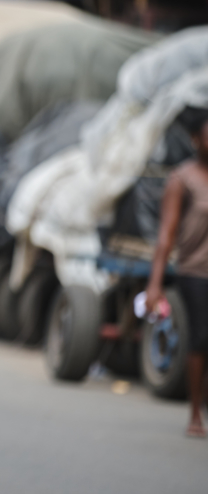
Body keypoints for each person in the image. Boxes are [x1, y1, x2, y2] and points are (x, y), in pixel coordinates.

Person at [147, 105, 208, 438]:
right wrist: (155, 285)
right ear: (196, 139)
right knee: (200, 338)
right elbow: (166, 235)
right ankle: (195, 413)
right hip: (196, 272)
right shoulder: (182, 179)